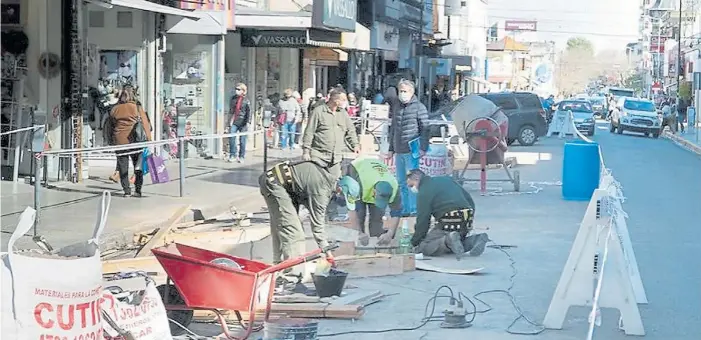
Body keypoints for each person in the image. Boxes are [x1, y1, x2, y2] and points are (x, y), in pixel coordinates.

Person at [258, 160, 341, 285]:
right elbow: (317, 227)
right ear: (339, 190)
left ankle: (278, 267)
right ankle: (291, 277)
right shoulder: (321, 191)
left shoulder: (328, 180)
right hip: (275, 183)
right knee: (293, 232)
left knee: (283, 225)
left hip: (285, 185)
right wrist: (327, 253)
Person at [404, 169, 489, 259]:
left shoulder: (423, 192)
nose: (412, 189)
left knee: (424, 247)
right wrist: (469, 221)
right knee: (457, 241)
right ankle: (475, 240)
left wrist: (414, 242)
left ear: (417, 179)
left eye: (411, 185)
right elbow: (469, 199)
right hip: (467, 216)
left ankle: (448, 241)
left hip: (448, 221)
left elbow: (423, 221)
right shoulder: (446, 179)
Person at [386, 79, 430, 216]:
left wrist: (423, 147)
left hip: (412, 151)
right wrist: (390, 149)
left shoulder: (419, 107)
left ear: (412, 92)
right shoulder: (396, 107)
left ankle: (414, 209)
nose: (402, 94)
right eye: (401, 91)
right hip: (399, 150)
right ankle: (405, 209)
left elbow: (425, 128)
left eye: (405, 91)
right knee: (401, 182)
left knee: (413, 182)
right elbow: (393, 128)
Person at [339, 158, 402, 246]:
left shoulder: (394, 187)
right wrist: (359, 233)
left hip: (373, 172)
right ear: (374, 192)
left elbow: (396, 213)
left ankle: (377, 243)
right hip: (357, 170)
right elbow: (352, 210)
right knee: (360, 213)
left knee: (377, 216)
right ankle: (357, 244)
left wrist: (389, 234)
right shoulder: (356, 186)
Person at [302, 87, 360, 179]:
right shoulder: (318, 111)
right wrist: (306, 151)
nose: (345, 102)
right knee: (317, 182)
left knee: (334, 183)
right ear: (335, 100)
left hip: (335, 158)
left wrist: (355, 145)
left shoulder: (343, 113)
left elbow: (351, 130)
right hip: (318, 156)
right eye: (343, 100)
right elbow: (309, 132)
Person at [110, 90, 152, 197]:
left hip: (120, 141)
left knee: (123, 167)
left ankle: (126, 191)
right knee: (138, 167)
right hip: (135, 141)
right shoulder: (136, 108)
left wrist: (111, 141)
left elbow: (111, 125)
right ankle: (137, 190)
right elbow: (145, 124)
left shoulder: (115, 109)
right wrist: (149, 139)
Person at [227, 83, 251, 163]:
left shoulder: (246, 100)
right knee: (232, 138)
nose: (236, 91)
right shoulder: (233, 99)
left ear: (243, 91)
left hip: (243, 121)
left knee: (242, 140)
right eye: (236, 89)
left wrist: (248, 122)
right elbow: (231, 111)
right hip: (235, 121)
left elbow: (248, 112)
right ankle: (232, 154)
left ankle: (241, 156)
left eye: (238, 89)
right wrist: (228, 122)